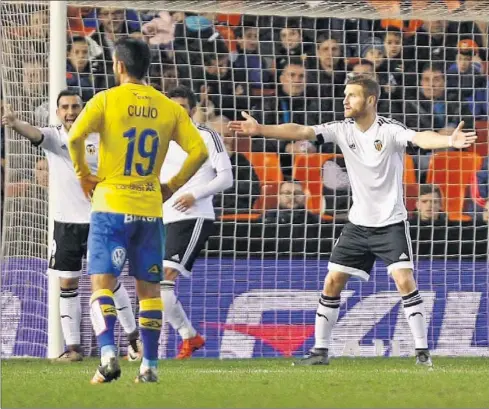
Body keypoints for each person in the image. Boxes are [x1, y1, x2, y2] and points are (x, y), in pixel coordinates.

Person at [228, 73, 477, 368]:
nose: (345, 100)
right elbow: (301, 131)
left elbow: (420, 139)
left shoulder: (389, 130)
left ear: (370, 100)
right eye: (345, 95)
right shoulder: (341, 129)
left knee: (404, 280)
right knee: (332, 282)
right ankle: (320, 351)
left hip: (390, 223)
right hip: (357, 224)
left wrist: (449, 139)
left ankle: (422, 352)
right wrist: (260, 129)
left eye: (352, 95)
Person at [67, 38, 208, 383]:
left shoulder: (105, 100)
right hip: (150, 210)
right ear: (148, 68)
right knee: (150, 291)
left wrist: (84, 176)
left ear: (118, 65)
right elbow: (200, 152)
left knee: (101, 284)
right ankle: (149, 367)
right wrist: (171, 186)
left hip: (111, 205)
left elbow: (73, 138)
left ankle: (108, 355)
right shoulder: (168, 107)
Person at [1, 90, 142, 362]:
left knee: (109, 282)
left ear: (83, 108)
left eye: (75, 106)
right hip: (66, 224)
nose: (70, 111)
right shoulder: (55, 137)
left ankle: (134, 340)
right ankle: (74, 348)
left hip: (100, 220)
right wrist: (15, 123)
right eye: (64, 107)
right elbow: (34, 133)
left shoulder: (100, 136)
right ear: (57, 112)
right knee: (67, 283)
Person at [160, 86, 233, 359]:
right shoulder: (159, 140)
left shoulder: (205, 136)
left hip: (193, 217)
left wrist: (195, 194)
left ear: (191, 111)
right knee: (153, 287)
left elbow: (227, 178)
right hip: (162, 219)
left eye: (181, 108)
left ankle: (188, 336)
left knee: (162, 283)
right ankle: (189, 337)